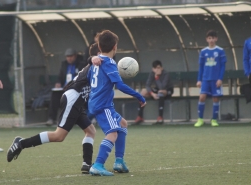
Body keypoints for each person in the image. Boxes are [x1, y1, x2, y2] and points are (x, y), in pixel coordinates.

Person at [6, 43, 102, 174]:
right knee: (58, 136)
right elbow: (89, 60)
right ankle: (21, 143)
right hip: (73, 99)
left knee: (91, 131)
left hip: (77, 101)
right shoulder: (93, 65)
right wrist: (93, 59)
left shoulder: (97, 66)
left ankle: (86, 164)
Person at [88, 30, 146, 176]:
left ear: (99, 47)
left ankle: (119, 161)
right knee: (112, 134)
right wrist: (138, 95)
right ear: (115, 47)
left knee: (122, 124)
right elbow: (119, 85)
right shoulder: (109, 63)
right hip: (103, 105)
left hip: (99, 102)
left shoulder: (96, 62)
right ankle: (98, 164)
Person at [194, 30, 227, 127]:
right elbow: (201, 66)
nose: (211, 40)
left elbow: (222, 66)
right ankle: (200, 119)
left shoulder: (220, 51)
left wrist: (220, 79)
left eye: (213, 38)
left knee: (215, 98)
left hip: (215, 79)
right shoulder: (204, 51)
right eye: (209, 38)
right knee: (202, 97)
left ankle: (214, 119)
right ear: (206, 39)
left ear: (216, 39)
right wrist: (199, 79)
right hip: (205, 79)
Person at [46, 48, 86, 125]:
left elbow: (81, 78)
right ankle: (51, 118)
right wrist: (58, 83)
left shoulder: (81, 64)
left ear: (75, 56)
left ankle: (72, 119)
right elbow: (60, 77)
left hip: (75, 89)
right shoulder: (64, 65)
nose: (69, 58)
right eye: (67, 56)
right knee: (55, 96)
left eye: (71, 56)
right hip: (64, 89)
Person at [134, 60, 173, 125]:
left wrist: (157, 78)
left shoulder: (165, 74)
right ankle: (140, 116)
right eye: (155, 68)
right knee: (143, 93)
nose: (157, 70)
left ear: (161, 68)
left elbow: (162, 87)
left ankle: (160, 117)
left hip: (167, 90)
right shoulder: (152, 73)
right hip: (157, 90)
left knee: (161, 92)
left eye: (158, 68)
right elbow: (147, 85)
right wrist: (152, 93)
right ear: (153, 69)